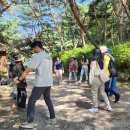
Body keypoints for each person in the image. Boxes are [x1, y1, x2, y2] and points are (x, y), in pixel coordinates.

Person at [14, 40, 56, 129]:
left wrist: (19, 79)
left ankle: (30, 122)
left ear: (37, 47)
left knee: (31, 101)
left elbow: (28, 70)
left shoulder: (38, 56)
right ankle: (53, 119)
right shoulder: (48, 56)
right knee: (48, 99)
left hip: (41, 83)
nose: (33, 50)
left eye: (33, 48)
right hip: (48, 82)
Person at [89, 48, 112, 113]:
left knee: (94, 93)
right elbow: (104, 70)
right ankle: (108, 106)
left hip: (95, 78)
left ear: (94, 53)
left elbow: (92, 72)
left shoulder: (93, 62)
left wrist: (90, 81)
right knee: (103, 93)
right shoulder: (103, 60)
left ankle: (95, 107)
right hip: (102, 79)